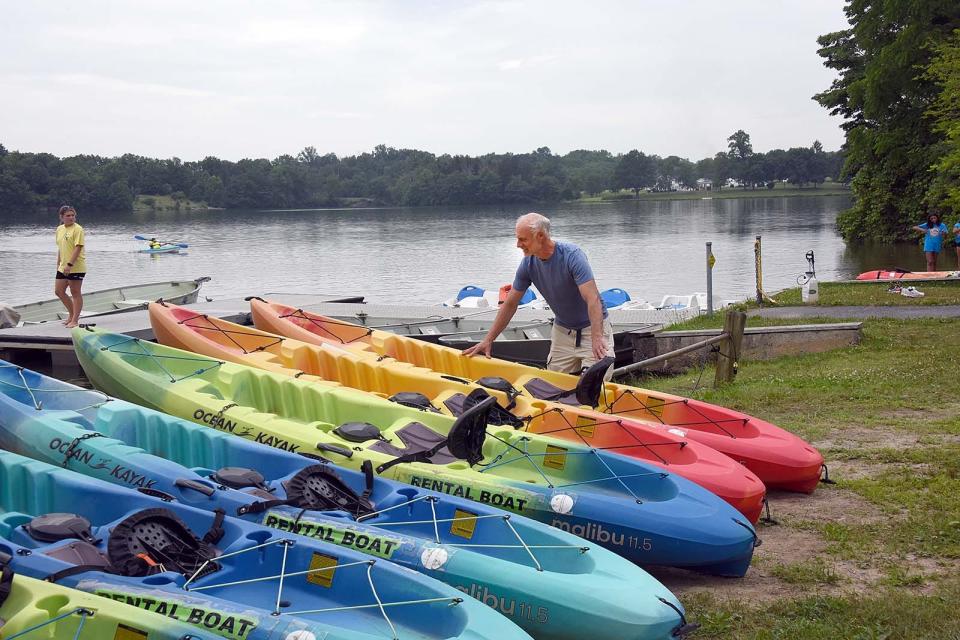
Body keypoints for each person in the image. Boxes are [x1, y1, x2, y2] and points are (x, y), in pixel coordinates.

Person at [462, 212, 613, 374]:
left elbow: (592, 298)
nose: (518, 244)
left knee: (594, 384)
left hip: (593, 328)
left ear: (540, 235)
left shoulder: (572, 256)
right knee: (555, 385)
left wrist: (597, 337)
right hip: (563, 332)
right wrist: (488, 340)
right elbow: (511, 304)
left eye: (523, 239)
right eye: (517, 238)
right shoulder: (528, 264)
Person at [54, 205, 86, 328]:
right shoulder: (59, 229)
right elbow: (61, 248)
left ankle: (75, 320)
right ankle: (71, 315)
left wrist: (69, 264)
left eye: (73, 215)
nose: (71, 217)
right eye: (68, 215)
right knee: (59, 291)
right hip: (63, 266)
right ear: (62, 217)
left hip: (76, 266)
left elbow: (78, 247)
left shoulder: (78, 229)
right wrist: (59, 263)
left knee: (75, 292)